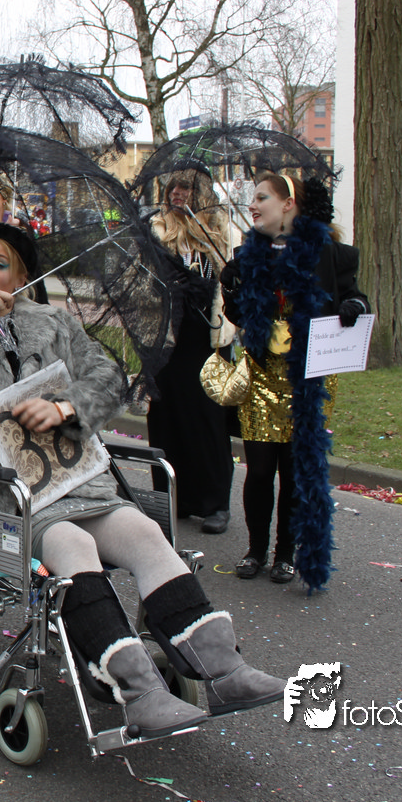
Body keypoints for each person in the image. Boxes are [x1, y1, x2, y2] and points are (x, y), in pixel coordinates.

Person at [0, 222, 285, 738]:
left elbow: (108, 377)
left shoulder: (54, 322)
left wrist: (65, 407)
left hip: (75, 480)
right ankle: (138, 689)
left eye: (0, 263)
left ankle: (224, 668)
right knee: (71, 543)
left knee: (145, 532)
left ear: (22, 275)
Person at [220, 171, 368, 590]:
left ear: (288, 204)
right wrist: (231, 290)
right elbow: (240, 316)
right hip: (263, 376)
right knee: (259, 471)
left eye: (261, 197)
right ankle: (255, 550)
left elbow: (355, 297)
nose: (252, 205)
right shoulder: (248, 255)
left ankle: (285, 554)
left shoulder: (327, 253)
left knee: (293, 471)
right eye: (252, 198)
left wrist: (353, 308)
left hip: (306, 377)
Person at [145, 166, 236, 535]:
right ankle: (172, 499)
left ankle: (215, 503)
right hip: (169, 337)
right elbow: (142, 283)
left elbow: (231, 282)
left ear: (201, 194)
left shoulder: (220, 233)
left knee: (208, 421)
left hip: (206, 339)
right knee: (167, 419)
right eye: (173, 188)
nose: (177, 194)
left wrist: (212, 285)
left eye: (185, 188)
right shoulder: (157, 231)